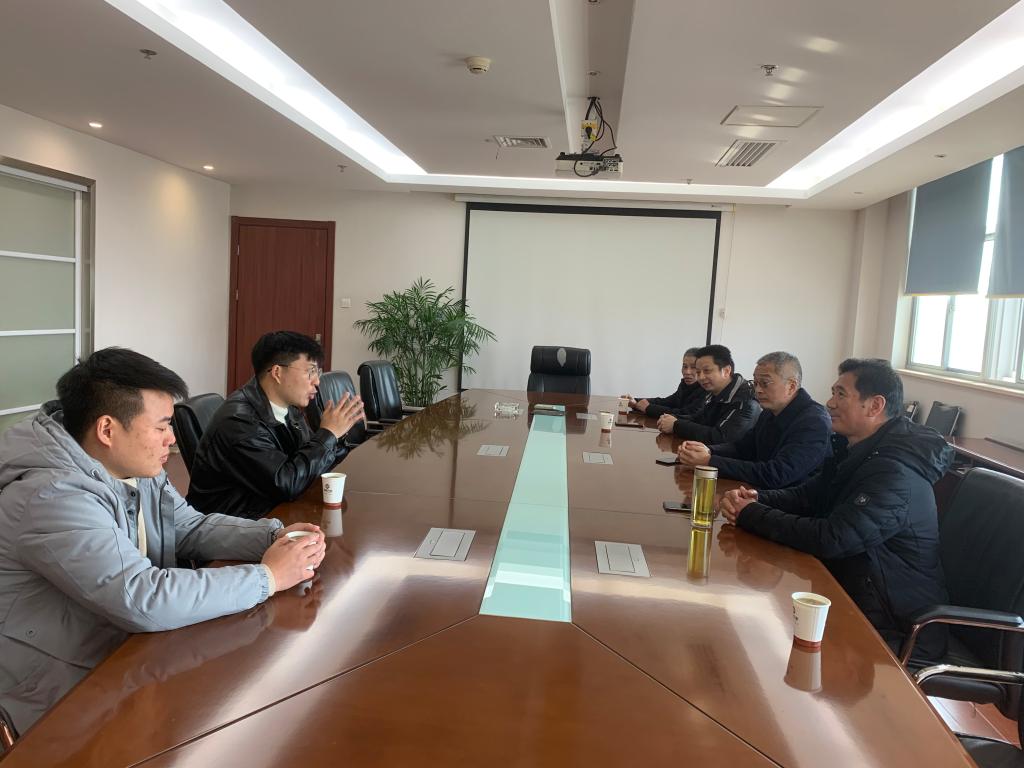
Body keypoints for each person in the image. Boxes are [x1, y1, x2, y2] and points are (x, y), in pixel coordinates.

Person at [0, 348, 326, 735]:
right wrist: (267, 577)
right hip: (57, 694)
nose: (172, 439)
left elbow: (187, 526)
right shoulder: (52, 495)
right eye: (161, 427)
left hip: (125, 652)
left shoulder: (130, 463)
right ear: (107, 430)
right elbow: (142, 597)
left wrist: (272, 536)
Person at [719, 358, 952, 661]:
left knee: (757, 643)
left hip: (896, 628)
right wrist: (756, 497)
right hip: (851, 596)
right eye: (833, 393)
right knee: (749, 622)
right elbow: (808, 496)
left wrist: (750, 513)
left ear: (875, 405)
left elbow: (834, 538)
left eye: (841, 394)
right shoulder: (857, 450)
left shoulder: (896, 472)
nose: (829, 403)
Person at [187, 331, 364, 519]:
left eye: (317, 372)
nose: (317, 381)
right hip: (235, 525)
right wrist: (327, 434)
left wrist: (337, 435)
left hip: (270, 512)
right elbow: (286, 483)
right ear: (277, 373)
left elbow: (305, 462)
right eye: (310, 371)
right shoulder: (239, 422)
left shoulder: (288, 408)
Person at [676, 351, 831, 488]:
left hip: (789, 504)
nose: (757, 390)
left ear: (791, 386)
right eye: (755, 383)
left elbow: (775, 474)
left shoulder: (813, 422)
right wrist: (707, 450)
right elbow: (742, 448)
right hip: (759, 493)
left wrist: (710, 461)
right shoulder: (769, 412)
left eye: (765, 383)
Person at [657, 344, 760, 443]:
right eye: (698, 372)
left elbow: (721, 437)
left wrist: (676, 425)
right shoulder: (715, 391)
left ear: (726, 371)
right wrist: (672, 418)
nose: (701, 377)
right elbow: (699, 418)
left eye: (707, 371)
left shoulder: (746, 400)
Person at [623, 347, 705, 418]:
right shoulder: (684, 385)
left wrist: (648, 408)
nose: (687, 372)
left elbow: (684, 413)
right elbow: (665, 402)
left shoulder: (705, 390)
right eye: (685, 366)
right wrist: (636, 401)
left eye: (693, 367)